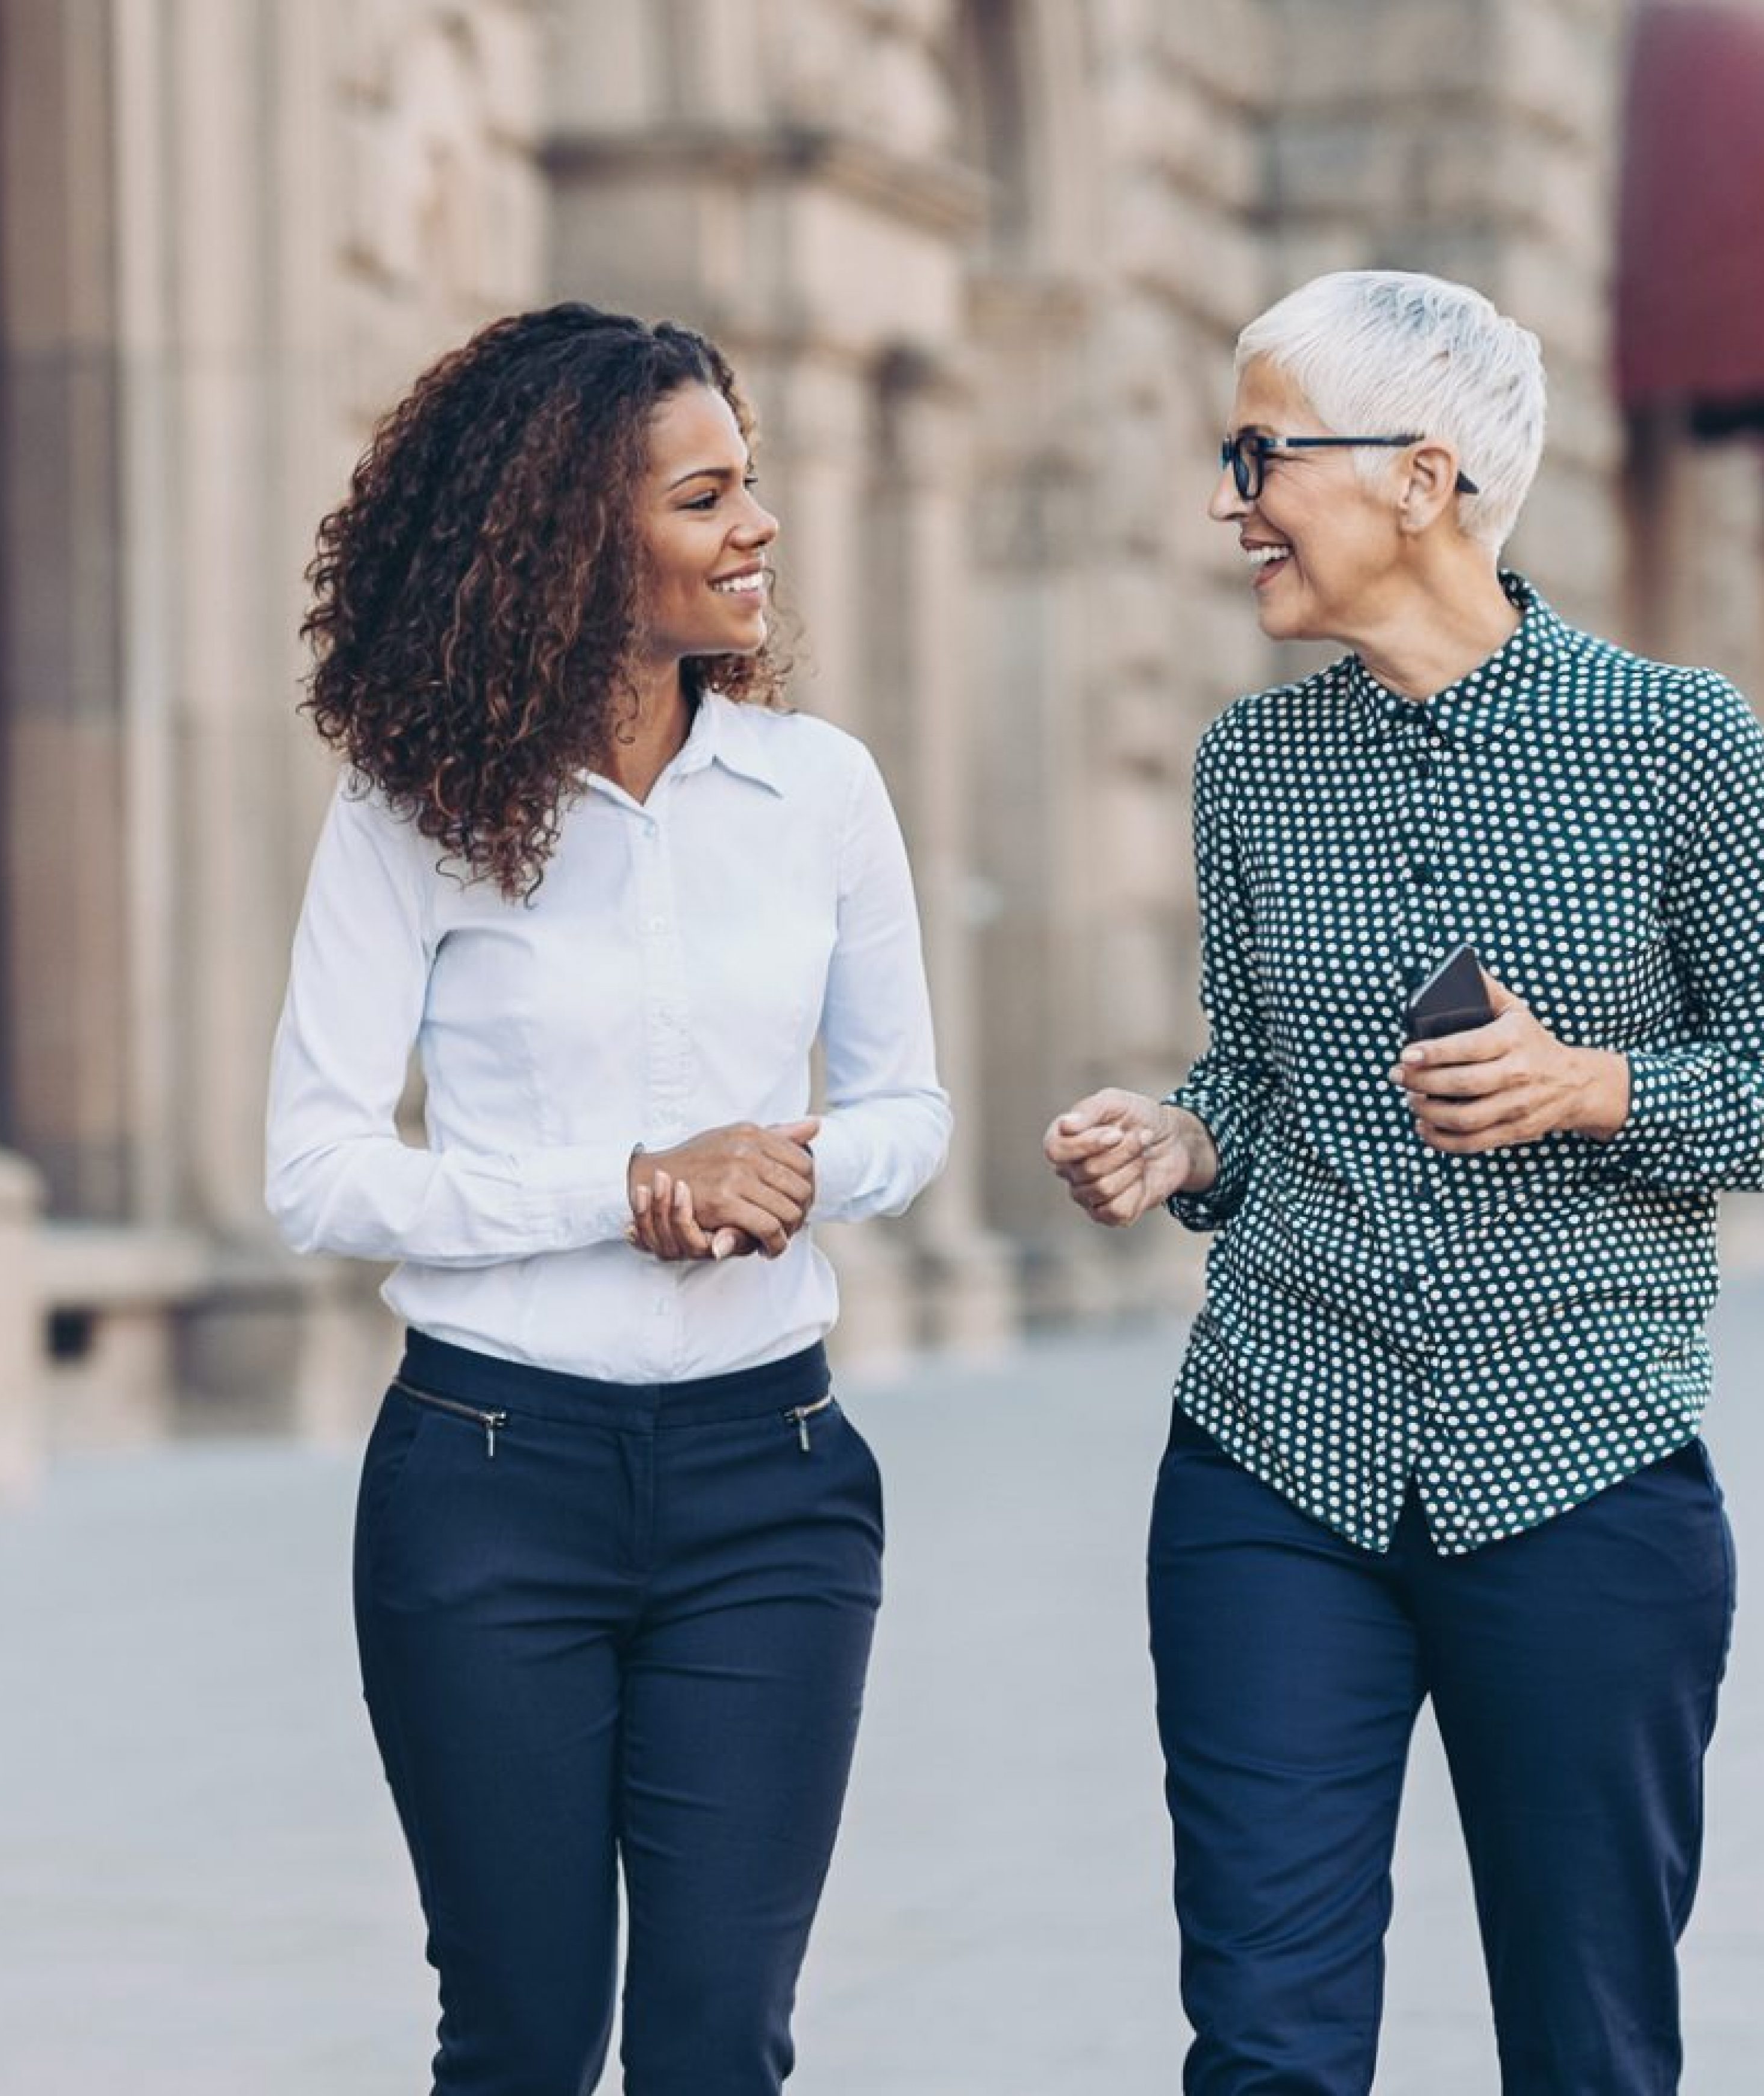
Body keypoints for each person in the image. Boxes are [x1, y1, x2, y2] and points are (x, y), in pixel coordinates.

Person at [1046, 269, 1764, 2094]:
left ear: (1420, 479)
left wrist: (1592, 1082)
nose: (1231, 499)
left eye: (1260, 451)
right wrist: (1188, 1135)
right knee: (1268, 2042)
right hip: (1276, 1458)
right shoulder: (1253, 768)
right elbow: (1262, 1075)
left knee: (1590, 2046)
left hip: (1584, 1475)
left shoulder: (1683, 745)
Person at [265, 302, 950, 2094]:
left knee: (722, 2041)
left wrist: (792, 1176)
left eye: (753, 485)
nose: (760, 529)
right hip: (490, 1488)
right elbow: (318, 1169)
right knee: (524, 2035)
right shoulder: (413, 805)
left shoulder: (820, 791)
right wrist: (624, 1189)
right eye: (706, 494)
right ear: (583, 533)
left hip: (771, 1488)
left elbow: (906, 1111)